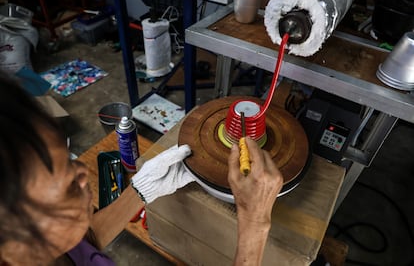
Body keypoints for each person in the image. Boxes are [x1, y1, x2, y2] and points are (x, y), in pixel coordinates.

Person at [0, 72, 283, 265]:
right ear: (12, 250)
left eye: (68, 157)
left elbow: (82, 245)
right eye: (67, 186)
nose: (83, 173)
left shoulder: (45, 248)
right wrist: (255, 227)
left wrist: (140, 190)